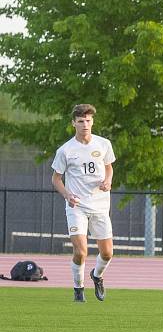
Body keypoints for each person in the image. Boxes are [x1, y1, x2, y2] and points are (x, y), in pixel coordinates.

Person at [51, 104, 116, 303]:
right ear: (74, 123)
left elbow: (109, 168)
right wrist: (67, 195)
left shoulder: (103, 144)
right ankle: (78, 289)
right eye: (81, 121)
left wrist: (108, 181)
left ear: (92, 122)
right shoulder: (65, 150)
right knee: (81, 251)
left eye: (88, 120)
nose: (85, 124)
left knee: (107, 253)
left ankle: (97, 276)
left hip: (100, 205)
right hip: (77, 206)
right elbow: (56, 179)